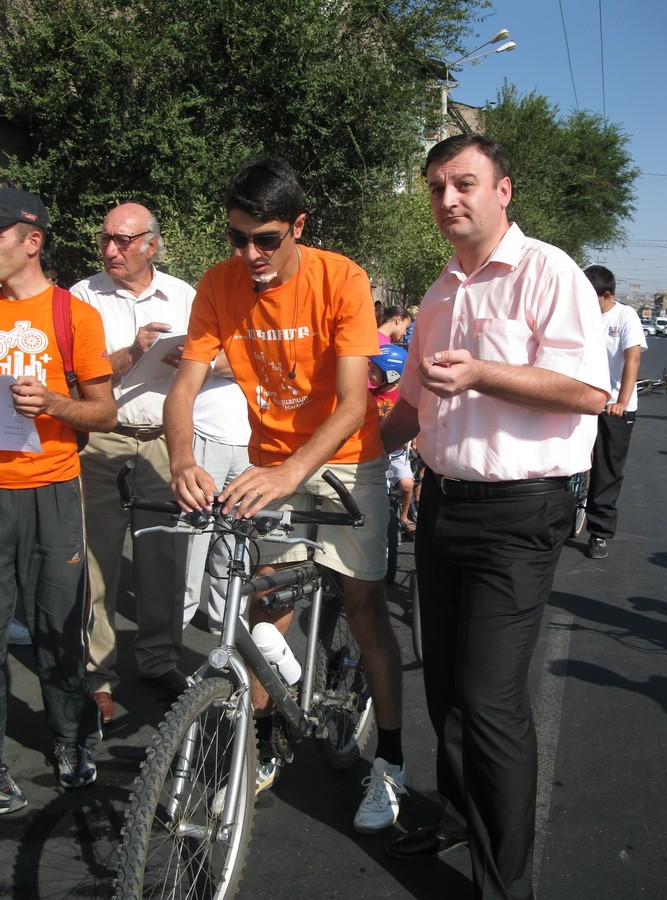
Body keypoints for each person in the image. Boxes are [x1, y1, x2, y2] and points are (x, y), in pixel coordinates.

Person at [379, 134, 610, 898]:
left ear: (502, 191)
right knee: (444, 687)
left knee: (489, 699)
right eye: (435, 187)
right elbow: (409, 407)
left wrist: (481, 374)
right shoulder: (439, 292)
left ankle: (506, 887)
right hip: (441, 502)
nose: (447, 199)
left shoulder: (548, 272)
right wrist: (327, 458)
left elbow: (587, 390)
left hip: (520, 509)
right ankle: (455, 814)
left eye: (463, 183)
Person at [164, 157, 405, 833]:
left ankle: (390, 758)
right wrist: (182, 460)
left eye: (265, 239)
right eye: (237, 238)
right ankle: (265, 742)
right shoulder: (219, 284)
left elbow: (354, 403)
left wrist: (293, 472)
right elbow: (182, 388)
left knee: (363, 606)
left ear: (298, 226)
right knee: (262, 602)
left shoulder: (341, 278)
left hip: (344, 460)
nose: (250, 255)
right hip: (270, 463)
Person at [0, 188, 117, 811]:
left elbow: (104, 412)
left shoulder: (74, 316)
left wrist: (51, 402)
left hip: (52, 487)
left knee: (57, 625)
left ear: (32, 240)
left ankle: (70, 740)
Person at [70, 202, 195, 724]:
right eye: (105, 239)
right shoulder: (82, 297)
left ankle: (159, 660)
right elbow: (73, 379)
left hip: (165, 443)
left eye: (122, 240)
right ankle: (97, 676)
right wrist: (132, 352)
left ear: (151, 244)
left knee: (161, 558)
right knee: (96, 561)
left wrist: (192, 360)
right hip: (102, 441)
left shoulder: (185, 296)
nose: (111, 249)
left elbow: (216, 362)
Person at [182, 356, 251, 633]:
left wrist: (217, 364)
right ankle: (178, 617)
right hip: (205, 431)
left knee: (237, 535)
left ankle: (228, 620)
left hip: (251, 439)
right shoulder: (208, 327)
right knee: (193, 532)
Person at [582, 265, 646, 560]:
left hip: (615, 407)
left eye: (591, 296)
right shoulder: (581, 313)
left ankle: (599, 533)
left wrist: (621, 401)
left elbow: (632, 359)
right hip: (583, 399)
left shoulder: (625, 316)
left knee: (606, 470)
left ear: (607, 295)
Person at [368, 345, 416, 538]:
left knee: (407, 485)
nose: (369, 373)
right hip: (374, 449)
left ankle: (404, 517)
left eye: (373, 370)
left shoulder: (404, 397)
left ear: (392, 373)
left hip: (397, 452)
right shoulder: (369, 394)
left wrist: (415, 440)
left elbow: (414, 419)